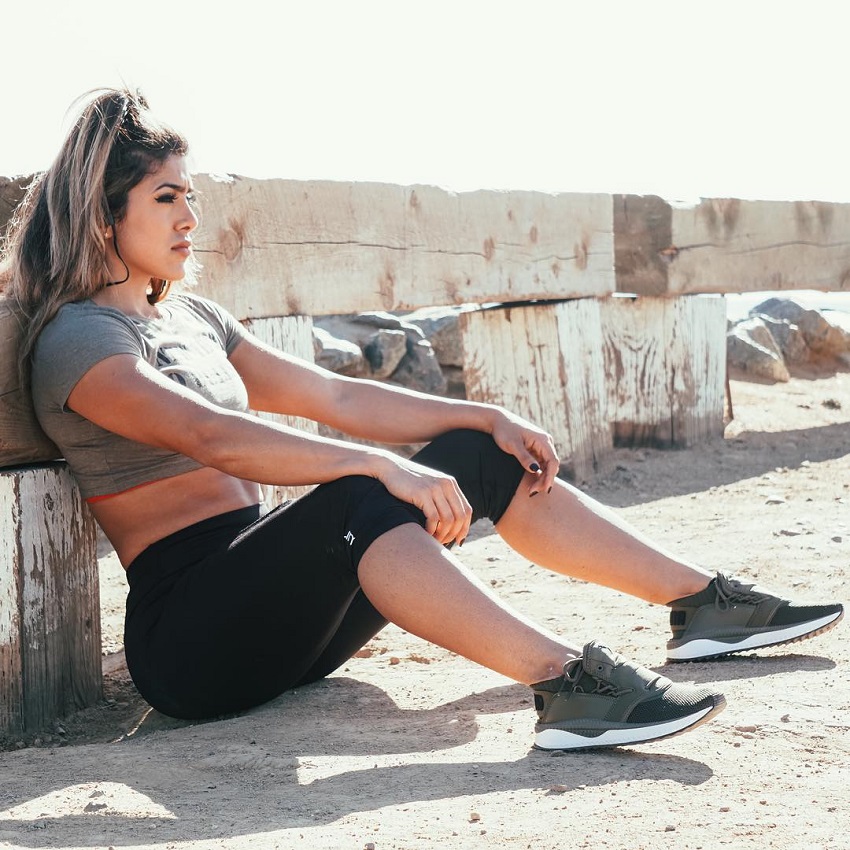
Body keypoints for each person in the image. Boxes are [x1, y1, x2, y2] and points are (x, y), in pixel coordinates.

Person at [0, 88, 843, 752]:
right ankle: (568, 686)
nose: (192, 218)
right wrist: (375, 467)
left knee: (478, 453)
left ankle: (703, 603)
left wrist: (483, 413)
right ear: (105, 215)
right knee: (358, 495)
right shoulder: (79, 341)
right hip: (191, 641)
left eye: (192, 195)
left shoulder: (194, 320)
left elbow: (335, 397)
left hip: (284, 614)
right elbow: (208, 435)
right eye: (167, 198)